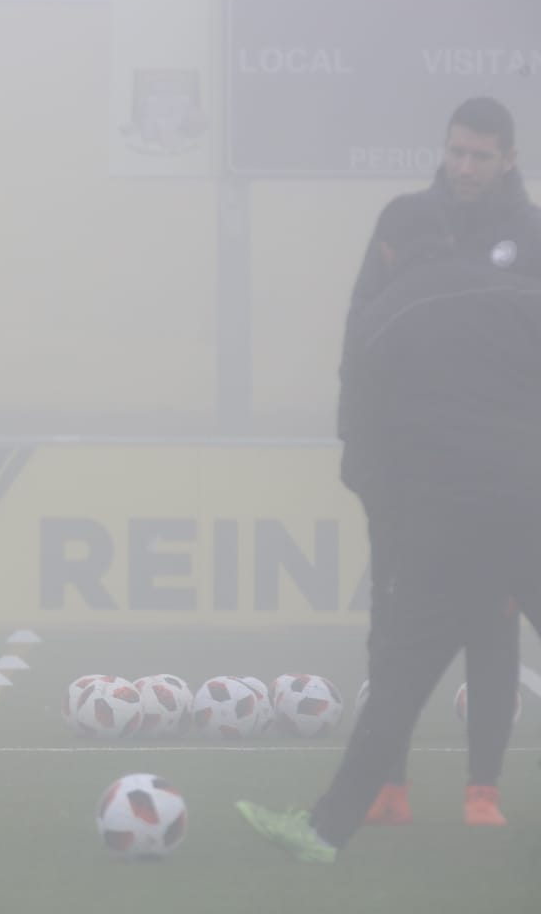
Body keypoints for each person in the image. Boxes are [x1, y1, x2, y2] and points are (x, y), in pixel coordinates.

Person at [239, 201, 541, 862]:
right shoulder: (520, 295)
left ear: (387, 252)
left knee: (399, 679)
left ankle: (322, 832)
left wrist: (400, 528)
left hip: (448, 524)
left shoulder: (380, 321)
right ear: (450, 239)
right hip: (532, 505)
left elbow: (366, 456)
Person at [338, 97, 541, 826]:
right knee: (392, 625)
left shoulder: (529, 234)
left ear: (508, 158)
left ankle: (480, 792)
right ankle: (387, 788)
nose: (464, 166)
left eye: (480, 155)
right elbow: (358, 340)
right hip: (406, 481)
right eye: (456, 151)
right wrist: (359, 458)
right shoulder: (406, 222)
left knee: (494, 626)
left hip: (497, 485)